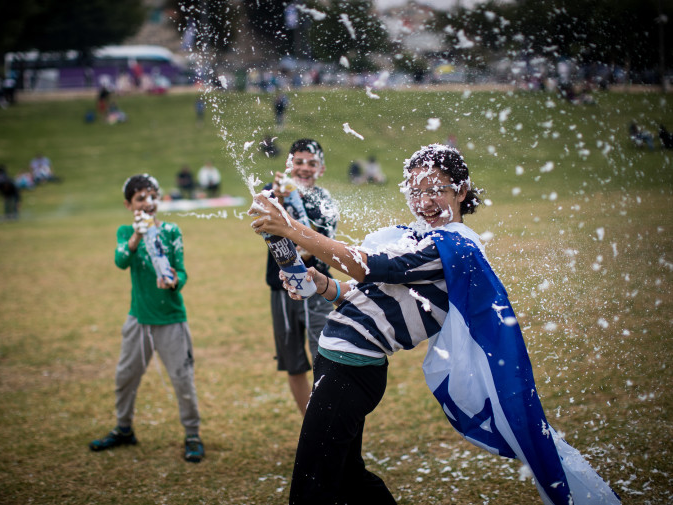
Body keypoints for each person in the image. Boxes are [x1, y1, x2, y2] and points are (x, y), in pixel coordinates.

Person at [250, 144, 619, 505]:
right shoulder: (421, 237)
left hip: (351, 373)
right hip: (337, 363)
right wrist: (325, 285)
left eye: (434, 189)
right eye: (415, 190)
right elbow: (366, 290)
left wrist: (291, 227)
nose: (424, 201)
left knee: (310, 488)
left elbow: (366, 265)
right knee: (348, 477)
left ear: (461, 190)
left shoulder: (454, 249)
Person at [89, 174, 204, 463]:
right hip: (138, 320)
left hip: (171, 321)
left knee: (183, 380)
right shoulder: (125, 232)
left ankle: (192, 435)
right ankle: (124, 429)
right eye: (140, 198)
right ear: (129, 204)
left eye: (152, 196)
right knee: (125, 377)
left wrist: (175, 281)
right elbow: (120, 261)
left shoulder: (171, 231)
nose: (148, 202)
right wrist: (138, 235)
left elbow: (183, 271)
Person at [262, 139, 338, 416]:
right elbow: (266, 223)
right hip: (279, 289)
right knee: (293, 364)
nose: (305, 168)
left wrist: (307, 252)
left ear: (322, 169)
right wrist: (281, 199)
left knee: (325, 360)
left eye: (312, 163)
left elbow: (323, 249)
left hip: (316, 288)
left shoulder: (325, 202)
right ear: (289, 166)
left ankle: (329, 423)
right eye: (299, 162)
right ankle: (311, 427)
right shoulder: (273, 194)